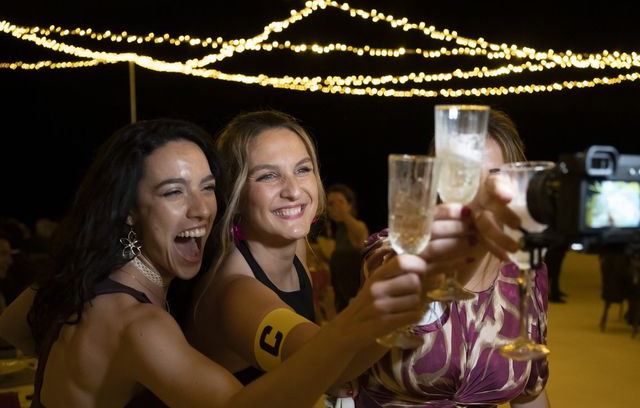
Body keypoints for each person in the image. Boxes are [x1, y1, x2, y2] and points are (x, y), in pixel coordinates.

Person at [0, 118, 434, 408]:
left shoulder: (83, 276)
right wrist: (374, 312)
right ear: (128, 208)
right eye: (173, 192)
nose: (201, 209)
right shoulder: (139, 323)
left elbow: (15, 329)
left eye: (207, 188)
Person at [185, 109, 523, 402]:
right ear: (236, 192)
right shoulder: (237, 291)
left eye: (302, 170)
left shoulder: (296, 247)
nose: (292, 189)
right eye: (269, 176)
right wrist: (411, 300)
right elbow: (333, 371)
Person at [356, 109, 550, 407]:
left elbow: (530, 393)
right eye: (466, 176)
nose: (482, 192)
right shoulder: (394, 251)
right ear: (439, 180)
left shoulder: (526, 268)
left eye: (496, 176)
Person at [325, 183, 369, 313]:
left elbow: (361, 238)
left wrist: (344, 214)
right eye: (331, 204)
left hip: (356, 301)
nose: (334, 207)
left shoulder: (358, 226)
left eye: (340, 202)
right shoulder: (338, 232)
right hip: (342, 301)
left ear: (350, 206)